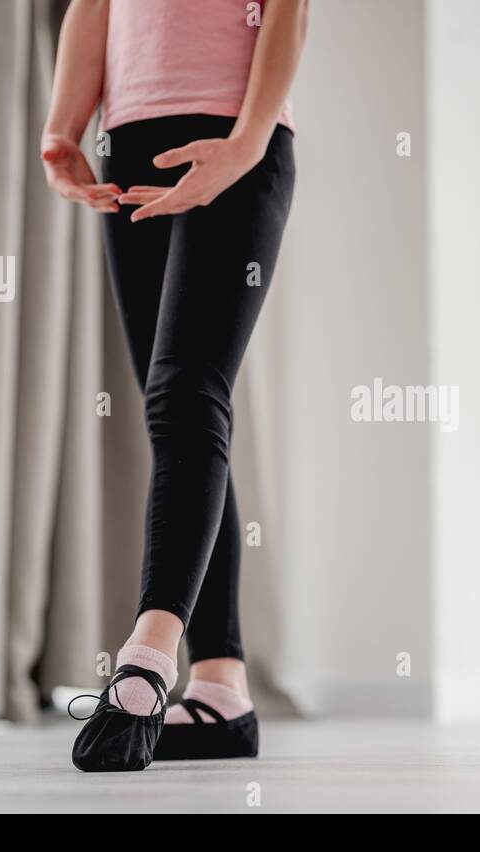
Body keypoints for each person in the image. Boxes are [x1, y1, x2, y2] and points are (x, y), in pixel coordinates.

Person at [41, 0, 307, 771]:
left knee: (187, 393)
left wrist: (248, 142)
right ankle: (222, 687)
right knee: (178, 416)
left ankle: (149, 654)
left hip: (235, 135)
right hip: (129, 143)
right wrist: (64, 128)